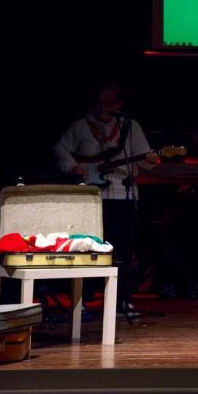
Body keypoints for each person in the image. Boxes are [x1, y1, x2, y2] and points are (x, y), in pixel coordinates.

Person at [53, 81, 158, 316]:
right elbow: (59, 148)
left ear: (118, 105)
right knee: (85, 248)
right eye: (100, 102)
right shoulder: (80, 127)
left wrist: (150, 160)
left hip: (122, 194)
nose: (103, 107)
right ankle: (81, 302)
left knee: (123, 250)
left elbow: (143, 160)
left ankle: (121, 301)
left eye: (109, 103)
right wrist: (72, 166)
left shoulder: (131, 127)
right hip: (90, 195)